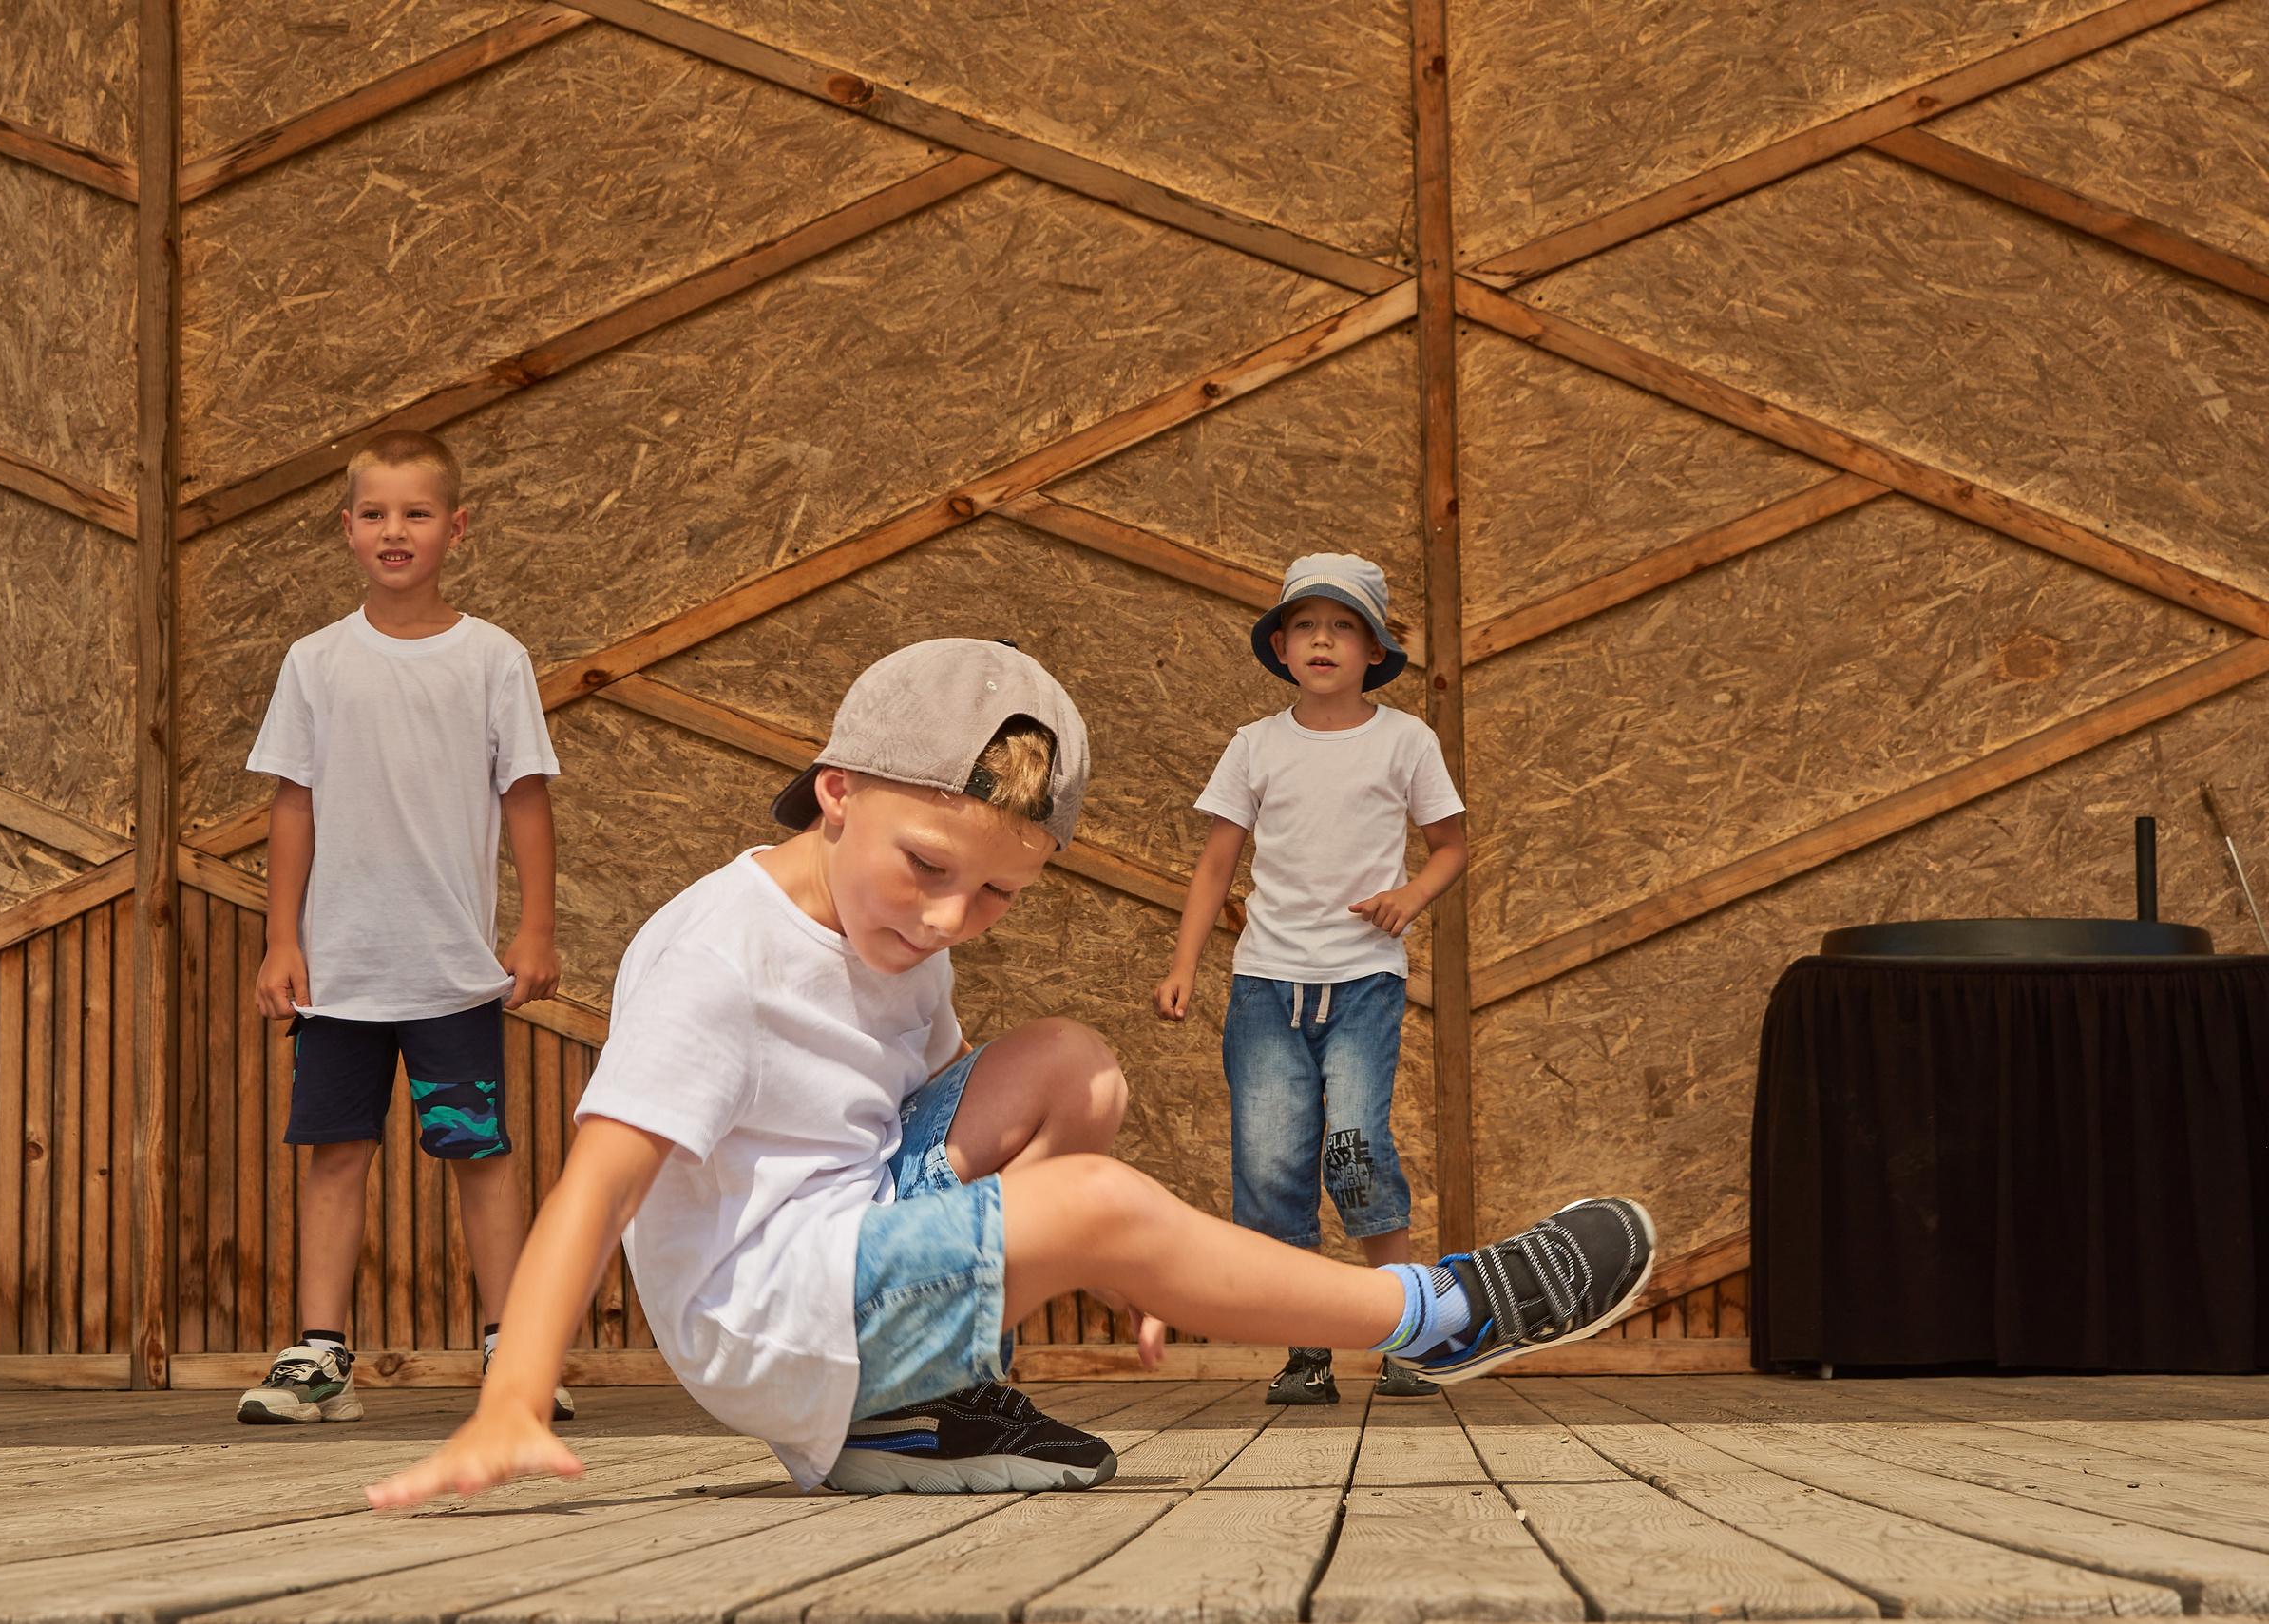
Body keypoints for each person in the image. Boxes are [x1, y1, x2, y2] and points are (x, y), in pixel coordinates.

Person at [364, 639, 1653, 1507]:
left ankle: (923, 1404)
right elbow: (596, 1187)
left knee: (1073, 1069)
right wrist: (512, 1396)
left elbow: (948, 1116)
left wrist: (1091, 1252)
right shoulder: (720, 953)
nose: (944, 918)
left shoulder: (901, 938)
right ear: (835, 793)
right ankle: (1440, 1315)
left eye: (995, 895)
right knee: (1097, 1202)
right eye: (926, 865)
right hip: (769, 1314)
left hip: (858, 1242)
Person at [237, 430, 572, 1426]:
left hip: (451, 971)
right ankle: (319, 1353)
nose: (395, 530)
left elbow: (526, 799)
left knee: (478, 1150)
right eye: (375, 513)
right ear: (347, 529)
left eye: (416, 513)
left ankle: (512, 1348)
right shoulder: (316, 661)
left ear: (455, 528)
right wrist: (281, 938)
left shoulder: (493, 658)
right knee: (336, 1149)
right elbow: (291, 805)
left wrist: (537, 926)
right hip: (339, 969)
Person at [1154, 554, 1469, 1406]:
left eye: (1343, 626)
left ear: (1374, 649)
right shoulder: (1255, 746)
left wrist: (1409, 897)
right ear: (1282, 647)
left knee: (1354, 1149)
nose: (1322, 639)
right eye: (1305, 625)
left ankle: (1412, 1329)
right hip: (1265, 988)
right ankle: (1307, 1350)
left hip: (1363, 981)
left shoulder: (1406, 740)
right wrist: (1187, 964)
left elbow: (1452, 847)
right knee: (1270, 1166)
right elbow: (1217, 862)